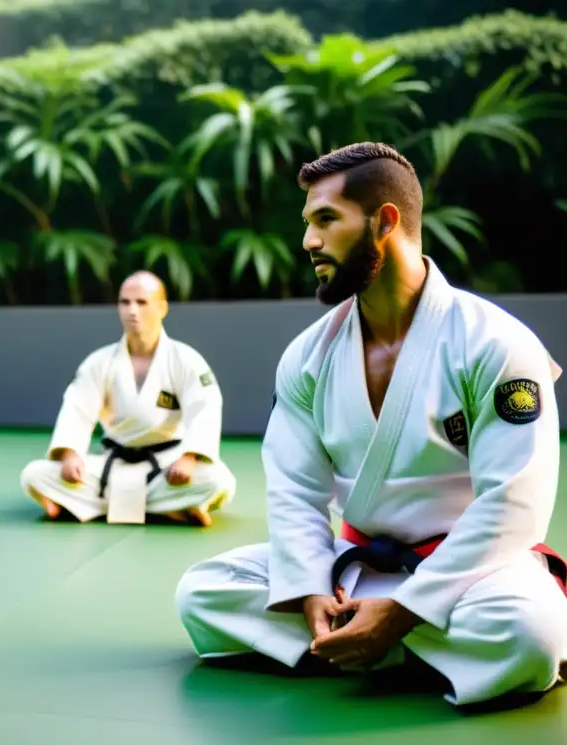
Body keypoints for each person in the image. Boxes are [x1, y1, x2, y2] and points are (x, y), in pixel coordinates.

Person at [175, 142, 567, 708]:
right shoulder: (310, 354)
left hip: (468, 578)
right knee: (202, 593)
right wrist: (309, 588)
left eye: (326, 220)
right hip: (354, 575)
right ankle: (385, 644)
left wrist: (405, 611)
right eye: (308, 224)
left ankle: (373, 644)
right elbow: (293, 487)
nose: (309, 241)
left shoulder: (495, 344)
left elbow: (515, 504)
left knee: (532, 633)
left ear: (386, 222)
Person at [20, 271, 236, 526]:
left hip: (167, 468)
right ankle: (172, 509)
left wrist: (189, 458)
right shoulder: (100, 361)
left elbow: (205, 408)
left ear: (162, 308)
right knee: (34, 475)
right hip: (111, 465)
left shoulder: (185, 360)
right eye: (125, 302)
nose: (132, 310)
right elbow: (76, 409)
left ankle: (87, 507)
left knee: (219, 482)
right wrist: (70, 455)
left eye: (141, 302)